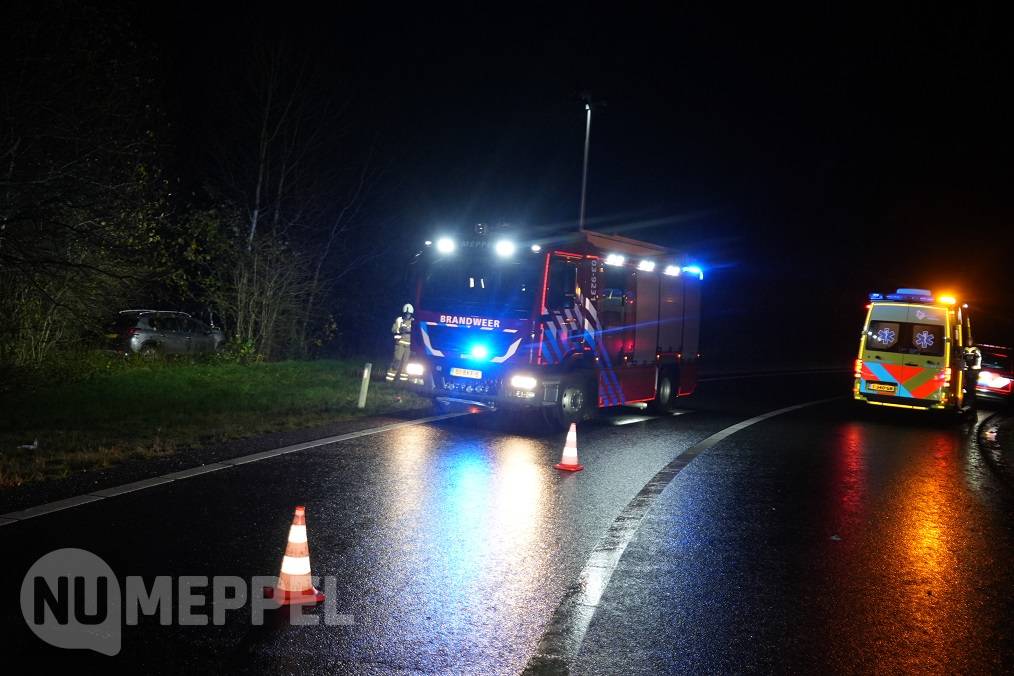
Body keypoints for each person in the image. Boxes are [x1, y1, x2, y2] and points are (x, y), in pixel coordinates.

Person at [386, 303, 414, 382]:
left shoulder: (413, 321)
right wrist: (400, 330)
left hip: (409, 346)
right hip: (400, 344)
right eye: (406, 314)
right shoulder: (399, 320)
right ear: (404, 313)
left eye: (409, 314)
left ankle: (403, 382)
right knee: (396, 361)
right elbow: (393, 330)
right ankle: (389, 379)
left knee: (405, 364)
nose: (407, 315)